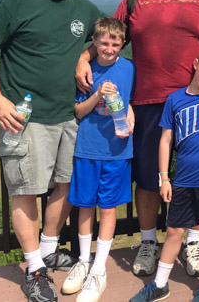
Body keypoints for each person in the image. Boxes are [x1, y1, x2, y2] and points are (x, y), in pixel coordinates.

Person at [76, 0, 199, 279]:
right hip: (147, 101)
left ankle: (193, 240)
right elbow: (112, 35)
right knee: (148, 178)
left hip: (197, 102)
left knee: (198, 176)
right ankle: (149, 242)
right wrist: (83, 57)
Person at [0, 0, 103, 302]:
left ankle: (48, 249)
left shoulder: (83, 7)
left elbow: (108, 37)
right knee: (26, 191)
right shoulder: (16, 0)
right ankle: (34, 269)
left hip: (71, 115)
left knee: (64, 186)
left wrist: (86, 54)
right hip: (26, 118)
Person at [129, 45, 199, 302]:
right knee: (174, 231)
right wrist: (164, 178)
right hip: (183, 179)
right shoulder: (175, 100)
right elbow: (165, 140)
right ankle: (160, 284)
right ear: (196, 64)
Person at [60, 17, 135, 302]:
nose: (109, 47)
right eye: (104, 42)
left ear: (122, 44)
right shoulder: (85, 70)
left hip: (117, 149)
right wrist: (97, 95)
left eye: (115, 42)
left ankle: (99, 269)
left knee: (108, 208)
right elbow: (80, 112)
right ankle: (83, 261)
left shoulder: (128, 68)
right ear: (94, 42)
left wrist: (131, 119)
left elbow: (129, 102)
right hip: (88, 148)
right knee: (85, 206)